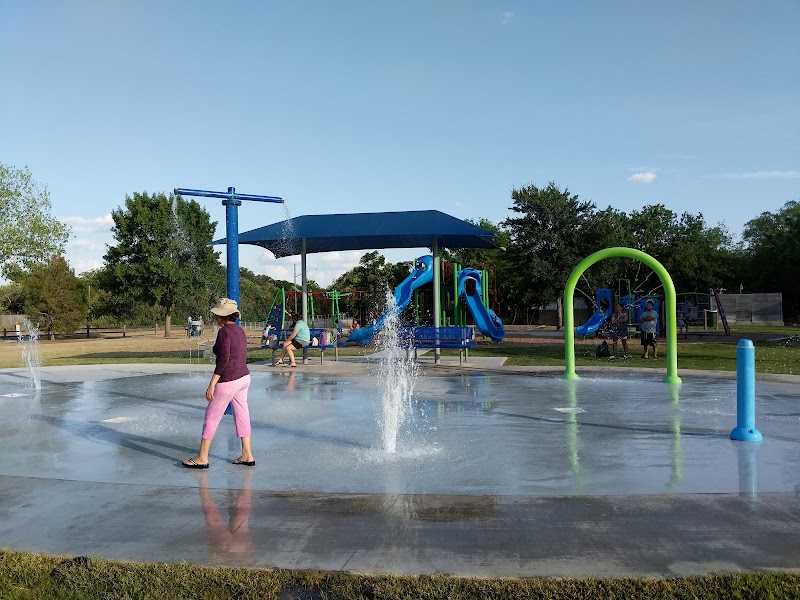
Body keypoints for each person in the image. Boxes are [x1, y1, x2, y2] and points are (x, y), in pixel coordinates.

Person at [182, 298, 254, 469]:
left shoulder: (224, 332)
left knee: (211, 417)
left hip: (228, 379)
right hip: (243, 377)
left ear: (222, 317)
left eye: (217, 315)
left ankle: (202, 457)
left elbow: (223, 360)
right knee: (242, 414)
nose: (215, 318)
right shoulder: (239, 331)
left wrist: (212, 383)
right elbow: (228, 352)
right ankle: (247, 454)